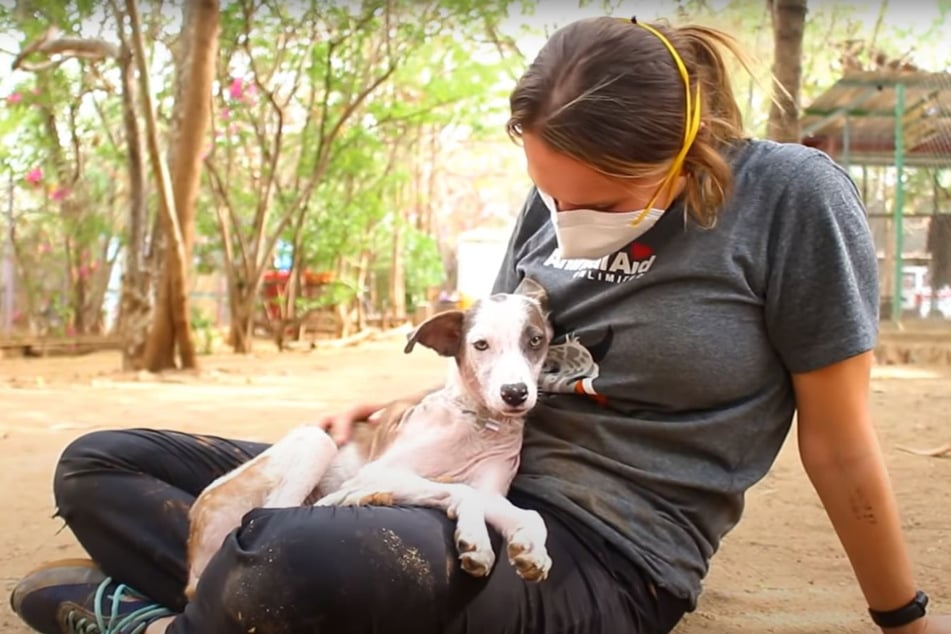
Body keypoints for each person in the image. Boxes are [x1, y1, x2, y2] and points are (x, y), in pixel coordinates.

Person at [9, 15, 948, 634]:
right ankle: (218, 602)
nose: (562, 214)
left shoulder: (789, 198)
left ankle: (168, 612)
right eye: (547, 188)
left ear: (684, 149)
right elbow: (491, 344)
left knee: (288, 560)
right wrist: (399, 406)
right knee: (99, 462)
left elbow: (837, 438)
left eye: (607, 196)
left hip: (599, 548)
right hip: (442, 477)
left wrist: (898, 614)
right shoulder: (552, 195)